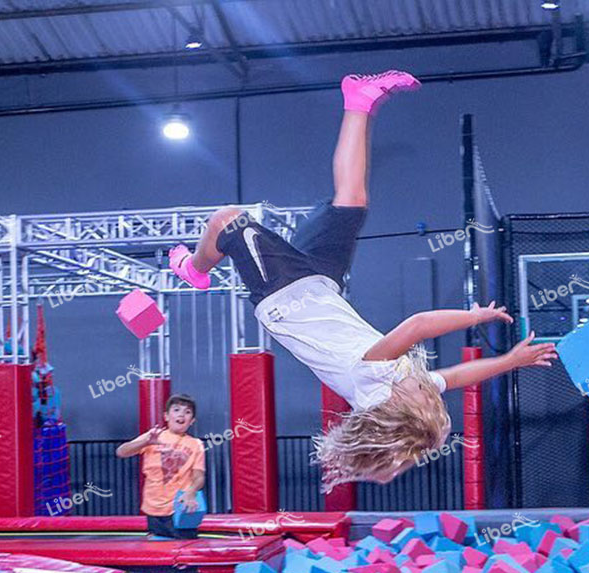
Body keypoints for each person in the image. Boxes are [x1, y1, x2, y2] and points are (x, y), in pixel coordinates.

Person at [170, 71, 556, 490]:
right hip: (321, 284)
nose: (431, 388)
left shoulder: (374, 383)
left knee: (227, 220)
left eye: (426, 398)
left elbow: (418, 325)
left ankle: (195, 268)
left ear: (397, 410)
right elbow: (462, 377)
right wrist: (512, 361)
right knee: (353, 201)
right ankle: (360, 98)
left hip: (283, 296)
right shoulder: (408, 389)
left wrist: (473, 316)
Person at [116, 393, 205, 539]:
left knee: (185, 550)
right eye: (176, 410)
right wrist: (145, 442)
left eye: (187, 412)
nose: (181, 415)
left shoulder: (196, 444)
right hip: (153, 508)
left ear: (192, 421)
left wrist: (191, 491)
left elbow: (199, 476)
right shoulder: (154, 436)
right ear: (166, 416)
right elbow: (121, 452)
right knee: (158, 552)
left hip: (180, 508)